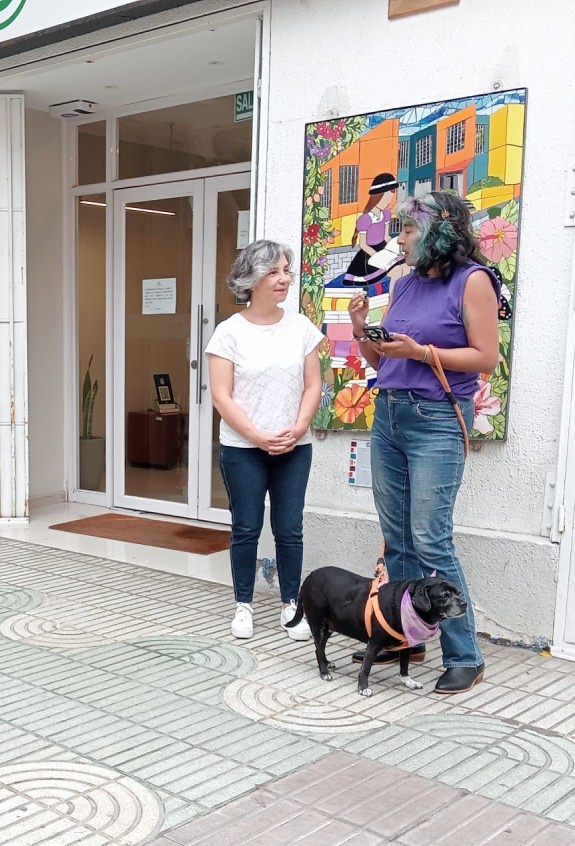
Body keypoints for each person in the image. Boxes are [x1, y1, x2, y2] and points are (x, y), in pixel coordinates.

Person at [349, 191, 499, 694]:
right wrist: (360, 330)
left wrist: (422, 350)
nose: (401, 239)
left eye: (409, 229)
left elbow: (485, 359)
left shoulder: (472, 280)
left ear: (440, 231)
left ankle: (464, 655)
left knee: (431, 537)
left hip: (435, 418)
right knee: (397, 537)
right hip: (388, 413)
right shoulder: (405, 283)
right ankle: (404, 636)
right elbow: (385, 364)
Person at [206, 240, 323, 642]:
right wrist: (258, 436)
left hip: (294, 447)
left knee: (290, 528)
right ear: (251, 279)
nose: (284, 279)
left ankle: (292, 604)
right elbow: (222, 395)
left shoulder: (301, 328)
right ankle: (244, 605)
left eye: (286, 271)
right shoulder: (229, 332)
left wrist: (298, 427)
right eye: (274, 272)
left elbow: (313, 384)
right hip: (243, 450)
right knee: (246, 527)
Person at [343, 172, 404, 286]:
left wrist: (395, 248)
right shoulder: (366, 219)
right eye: (386, 197)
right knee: (397, 272)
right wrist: (378, 256)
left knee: (405, 267)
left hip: (383, 250)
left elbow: (386, 237)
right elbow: (363, 245)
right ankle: (391, 301)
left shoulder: (386, 214)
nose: (388, 201)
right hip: (369, 255)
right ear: (378, 197)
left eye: (390, 197)